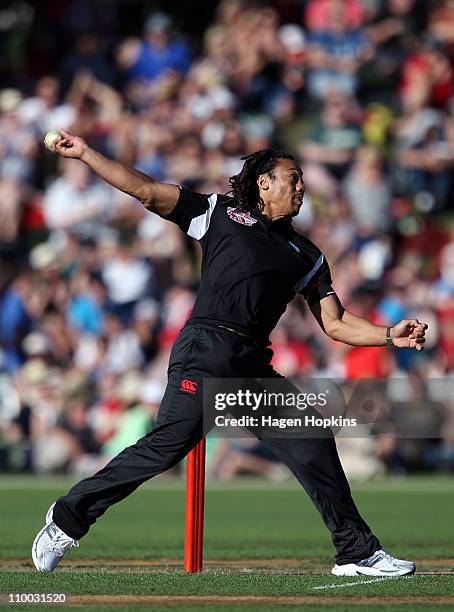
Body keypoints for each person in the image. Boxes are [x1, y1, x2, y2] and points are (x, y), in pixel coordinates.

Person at [32, 130, 427, 576]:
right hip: (207, 349)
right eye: (292, 179)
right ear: (264, 183)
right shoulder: (218, 212)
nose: (301, 187)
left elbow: (335, 323)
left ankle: (357, 552)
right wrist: (85, 153)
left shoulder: (307, 254)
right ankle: (66, 520)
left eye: (301, 181)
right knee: (165, 448)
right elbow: (143, 189)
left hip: (250, 365)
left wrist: (389, 334)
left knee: (311, 436)